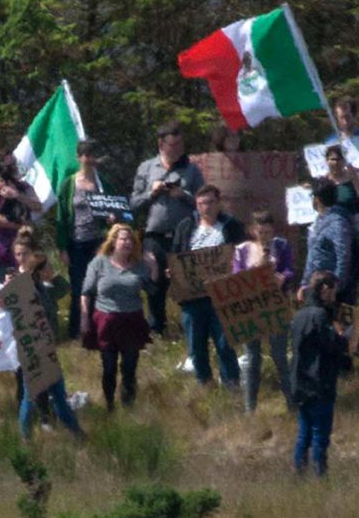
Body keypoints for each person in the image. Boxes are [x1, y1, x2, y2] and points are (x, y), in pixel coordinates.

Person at [131, 121, 205, 334]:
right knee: (155, 281)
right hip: (154, 235)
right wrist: (151, 193)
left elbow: (205, 200)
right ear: (161, 144)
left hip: (183, 235)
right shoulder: (146, 168)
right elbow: (133, 204)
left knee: (185, 281)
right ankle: (157, 328)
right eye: (173, 145)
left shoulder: (191, 169)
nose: (178, 149)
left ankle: (191, 326)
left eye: (181, 144)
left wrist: (184, 196)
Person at [10, 229, 84, 441]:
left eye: (25, 254)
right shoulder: (22, 286)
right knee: (35, 395)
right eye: (17, 254)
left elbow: (63, 287)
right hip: (34, 350)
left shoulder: (40, 285)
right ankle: (72, 434)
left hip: (45, 348)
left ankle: (71, 433)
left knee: (49, 395)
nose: (21, 258)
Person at [171, 184, 245, 386]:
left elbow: (243, 254)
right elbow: (176, 255)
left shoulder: (231, 226)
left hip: (222, 296)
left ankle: (231, 381)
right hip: (193, 297)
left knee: (224, 342)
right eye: (202, 203)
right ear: (196, 204)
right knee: (196, 344)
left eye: (211, 202)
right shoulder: (186, 227)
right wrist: (173, 272)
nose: (206, 207)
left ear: (218, 203)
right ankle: (204, 382)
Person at [81, 224, 156, 410]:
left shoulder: (139, 266)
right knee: (109, 367)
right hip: (106, 321)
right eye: (123, 239)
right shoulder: (99, 262)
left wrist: (154, 266)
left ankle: (128, 405)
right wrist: (84, 318)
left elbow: (152, 289)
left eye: (131, 239)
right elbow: (86, 292)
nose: (127, 242)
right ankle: (109, 405)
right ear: (113, 241)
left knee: (129, 367)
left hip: (132, 321)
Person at [56, 139, 118, 339]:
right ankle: (76, 329)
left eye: (93, 155)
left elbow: (116, 208)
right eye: (86, 155)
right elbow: (61, 217)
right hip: (76, 243)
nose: (90, 159)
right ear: (79, 157)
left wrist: (112, 218)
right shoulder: (69, 185)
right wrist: (63, 247)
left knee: (100, 286)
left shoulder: (103, 184)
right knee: (79, 287)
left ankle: (99, 327)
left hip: (99, 243)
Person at [233, 210, 294, 412]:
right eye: (260, 232)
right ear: (253, 230)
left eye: (268, 232)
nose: (264, 236)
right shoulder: (242, 250)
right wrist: (256, 269)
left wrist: (282, 277)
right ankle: (250, 409)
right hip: (251, 309)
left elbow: (289, 268)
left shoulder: (281, 246)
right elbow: (236, 276)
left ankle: (292, 404)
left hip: (275, 306)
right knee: (251, 356)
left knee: (279, 354)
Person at [291, 271, 349, 477]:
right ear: (324, 290)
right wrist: (344, 336)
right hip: (319, 383)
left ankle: (299, 474)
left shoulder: (298, 315)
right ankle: (320, 476)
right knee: (319, 435)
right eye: (333, 289)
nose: (335, 294)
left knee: (303, 434)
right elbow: (330, 345)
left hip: (300, 383)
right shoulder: (320, 316)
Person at [323, 144, 359, 305]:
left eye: (339, 159)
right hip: (333, 237)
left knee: (357, 277)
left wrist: (354, 177)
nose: (336, 163)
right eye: (332, 159)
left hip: (355, 237)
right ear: (326, 161)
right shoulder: (323, 182)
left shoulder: (353, 178)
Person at [0, 151, 42, 282]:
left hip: (24, 249)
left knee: (28, 291)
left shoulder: (23, 186)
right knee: (8, 293)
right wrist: (18, 225)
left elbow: (37, 206)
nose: (16, 167)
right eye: (12, 164)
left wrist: (17, 195)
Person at [299, 178, 353, 304]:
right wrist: (305, 283)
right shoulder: (318, 220)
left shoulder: (337, 222)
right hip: (314, 286)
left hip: (328, 290)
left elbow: (343, 256)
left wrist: (335, 286)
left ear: (316, 199)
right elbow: (312, 255)